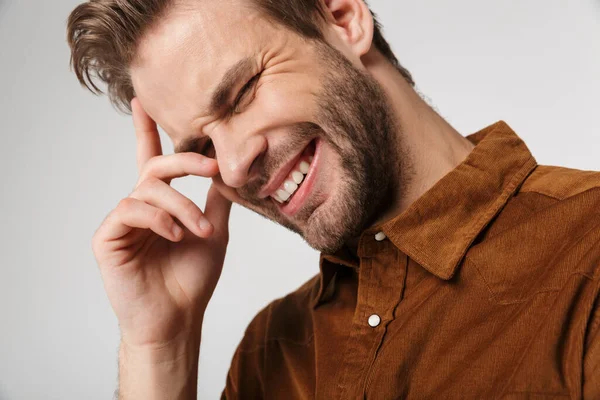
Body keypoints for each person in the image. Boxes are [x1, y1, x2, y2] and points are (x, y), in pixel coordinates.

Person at [66, 0, 599, 398]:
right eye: (202, 146)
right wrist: (158, 345)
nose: (231, 167)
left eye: (243, 92)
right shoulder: (270, 351)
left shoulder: (588, 249)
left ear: (344, 20)